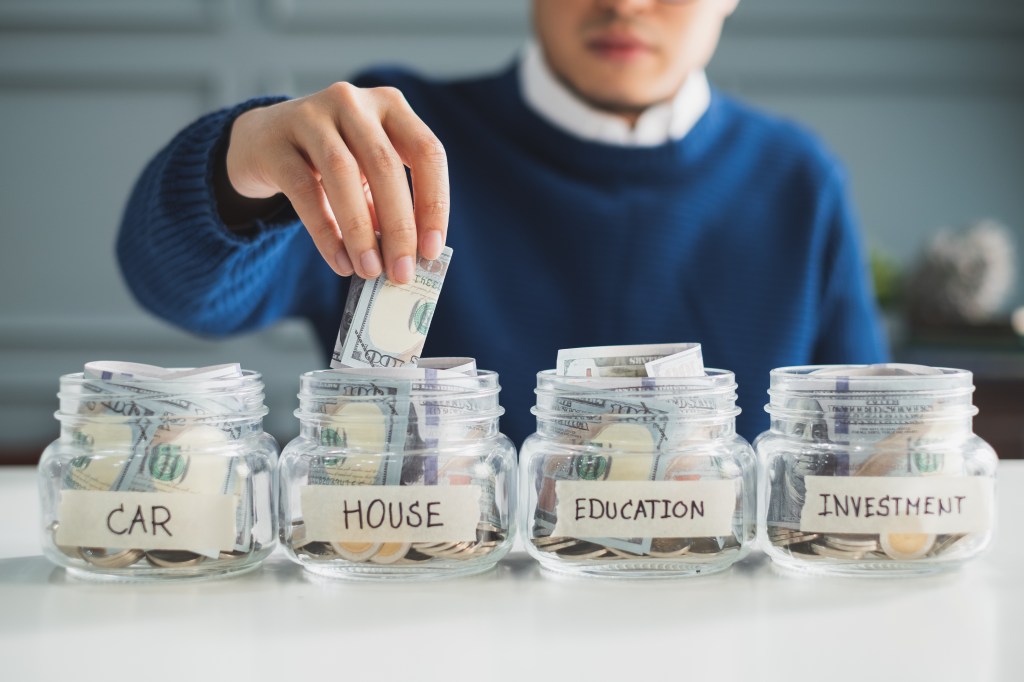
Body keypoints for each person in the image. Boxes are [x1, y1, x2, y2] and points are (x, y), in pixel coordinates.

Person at [117, 0, 888, 446]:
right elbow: (178, 288)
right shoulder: (396, 139)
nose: (621, 3)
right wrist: (237, 162)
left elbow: (868, 439)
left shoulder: (797, 180)